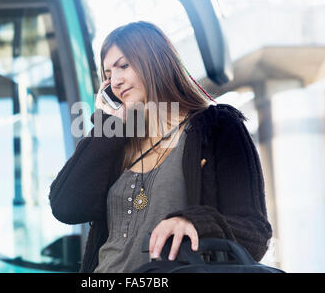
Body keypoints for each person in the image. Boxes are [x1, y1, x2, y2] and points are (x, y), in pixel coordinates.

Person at [49, 21, 272, 273]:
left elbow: (255, 233)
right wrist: (109, 125)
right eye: (108, 75)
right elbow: (66, 207)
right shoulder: (117, 141)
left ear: (155, 61)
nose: (116, 81)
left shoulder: (219, 127)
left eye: (124, 66)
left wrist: (193, 222)